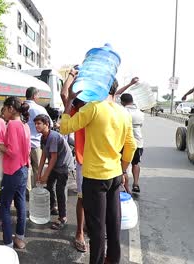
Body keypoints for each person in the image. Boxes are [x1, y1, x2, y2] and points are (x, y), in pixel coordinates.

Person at [60, 80, 137, 264]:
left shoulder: (93, 108)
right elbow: (131, 146)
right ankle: (113, 260)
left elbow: (65, 127)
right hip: (115, 175)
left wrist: (70, 100)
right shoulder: (123, 112)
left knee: (97, 228)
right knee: (113, 224)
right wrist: (123, 169)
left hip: (95, 178)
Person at [0, 96, 31, 249]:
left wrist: (1, 147)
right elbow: (27, 150)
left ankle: (8, 243)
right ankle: (19, 238)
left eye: (4, 109)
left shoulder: (12, 124)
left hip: (13, 171)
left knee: (4, 206)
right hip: (24, 169)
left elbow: (13, 151)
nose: (3, 113)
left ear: (11, 108)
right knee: (20, 204)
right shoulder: (25, 125)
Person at [60, 65, 87, 252]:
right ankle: (79, 232)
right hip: (83, 161)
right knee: (83, 198)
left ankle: (91, 227)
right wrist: (71, 74)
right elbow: (65, 95)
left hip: (104, 163)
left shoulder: (101, 105)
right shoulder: (78, 108)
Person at [35, 114, 74, 230]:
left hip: (63, 166)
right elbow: (44, 156)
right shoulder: (43, 137)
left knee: (60, 190)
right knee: (49, 185)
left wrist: (45, 175)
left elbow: (53, 158)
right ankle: (53, 207)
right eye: (35, 123)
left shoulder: (53, 137)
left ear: (47, 124)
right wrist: (39, 173)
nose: (36, 126)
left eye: (39, 123)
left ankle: (63, 217)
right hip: (55, 165)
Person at [24, 87, 53, 193]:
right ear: (34, 96)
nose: (39, 97)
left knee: (27, 168)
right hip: (36, 143)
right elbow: (50, 124)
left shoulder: (21, 107)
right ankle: (38, 190)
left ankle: (27, 190)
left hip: (24, 144)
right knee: (37, 168)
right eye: (38, 95)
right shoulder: (39, 109)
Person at [120, 93, 144, 193]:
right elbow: (140, 125)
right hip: (138, 142)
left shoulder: (122, 111)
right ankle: (136, 184)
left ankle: (126, 189)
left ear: (122, 102)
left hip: (125, 142)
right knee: (136, 163)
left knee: (123, 168)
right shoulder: (140, 113)